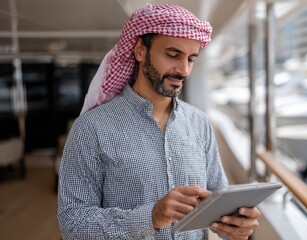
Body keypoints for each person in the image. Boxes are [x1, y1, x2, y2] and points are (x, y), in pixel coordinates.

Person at [57, 3, 261, 240]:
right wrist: (151, 216)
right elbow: (73, 223)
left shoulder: (200, 124)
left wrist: (234, 224)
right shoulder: (91, 129)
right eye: (172, 55)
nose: (183, 70)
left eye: (191, 59)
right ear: (140, 51)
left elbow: (216, 201)